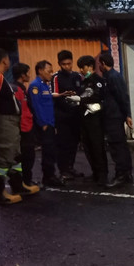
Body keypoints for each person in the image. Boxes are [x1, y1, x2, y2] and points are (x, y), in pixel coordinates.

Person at [0, 48, 39, 205]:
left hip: (10, 122)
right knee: (3, 158)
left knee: (15, 155)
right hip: (3, 123)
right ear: (5, 60)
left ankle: (18, 186)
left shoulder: (0, 77)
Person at [70, 55, 108, 186]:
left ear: (91, 67)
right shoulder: (83, 82)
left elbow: (97, 95)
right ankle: (95, 172)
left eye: (83, 67)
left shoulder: (97, 80)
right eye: (79, 68)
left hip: (95, 119)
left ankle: (102, 175)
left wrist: (81, 100)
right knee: (88, 147)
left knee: (97, 147)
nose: (81, 70)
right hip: (84, 119)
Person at [98, 51, 133, 187]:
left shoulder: (113, 77)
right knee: (120, 146)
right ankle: (126, 174)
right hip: (111, 117)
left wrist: (127, 115)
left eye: (99, 64)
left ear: (103, 64)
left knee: (117, 147)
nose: (99, 67)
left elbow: (122, 97)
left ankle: (122, 175)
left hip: (114, 118)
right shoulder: (107, 77)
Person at [29, 60, 66, 188]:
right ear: (40, 70)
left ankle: (50, 175)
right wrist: (43, 123)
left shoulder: (45, 85)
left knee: (51, 151)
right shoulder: (35, 86)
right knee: (47, 152)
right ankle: (48, 177)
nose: (51, 73)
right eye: (48, 71)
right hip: (44, 124)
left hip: (50, 123)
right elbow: (36, 106)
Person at [51, 50, 83, 180]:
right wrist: (66, 99)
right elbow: (54, 95)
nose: (67, 66)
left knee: (74, 143)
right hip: (62, 117)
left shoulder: (77, 76)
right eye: (64, 64)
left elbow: (82, 93)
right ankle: (63, 170)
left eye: (69, 63)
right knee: (63, 144)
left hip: (75, 116)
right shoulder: (56, 77)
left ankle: (70, 167)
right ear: (59, 64)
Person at [11, 63, 37, 187]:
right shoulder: (16, 90)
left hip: (27, 127)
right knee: (25, 157)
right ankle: (24, 182)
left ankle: (26, 180)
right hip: (22, 129)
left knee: (28, 156)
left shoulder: (22, 89)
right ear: (22, 75)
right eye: (28, 72)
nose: (29, 74)